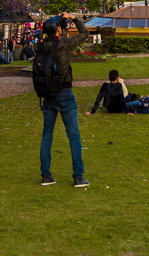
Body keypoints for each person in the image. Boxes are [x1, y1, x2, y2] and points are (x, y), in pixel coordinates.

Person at [37, 13, 90, 187]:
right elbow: (84, 33)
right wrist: (73, 18)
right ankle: (78, 176)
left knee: (47, 135)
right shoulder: (64, 45)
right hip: (64, 93)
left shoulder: (41, 46)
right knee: (73, 135)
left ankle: (46, 175)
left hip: (47, 95)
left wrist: (58, 24)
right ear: (58, 29)